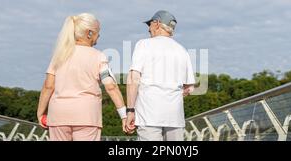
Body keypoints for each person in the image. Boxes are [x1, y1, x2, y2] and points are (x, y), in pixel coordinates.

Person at [36, 13, 128, 141]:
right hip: (87, 116)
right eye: (98, 32)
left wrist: (40, 113)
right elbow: (111, 86)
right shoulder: (99, 56)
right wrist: (124, 115)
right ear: (89, 33)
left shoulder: (59, 55)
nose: (99, 36)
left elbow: (48, 86)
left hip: (58, 115)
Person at [125, 10, 196, 141]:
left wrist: (130, 111)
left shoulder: (143, 44)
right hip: (175, 117)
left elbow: (133, 79)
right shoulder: (182, 50)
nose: (149, 29)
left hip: (148, 114)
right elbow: (189, 88)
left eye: (149, 25)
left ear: (156, 23)